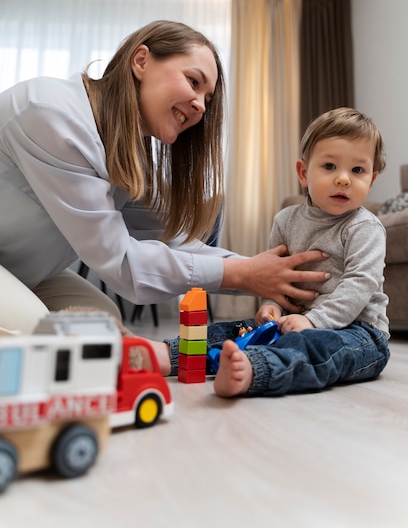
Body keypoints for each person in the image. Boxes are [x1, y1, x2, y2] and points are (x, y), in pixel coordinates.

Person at [0, 20, 328, 334]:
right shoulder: (53, 116)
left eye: (207, 99)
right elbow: (122, 263)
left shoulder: (126, 152)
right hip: (13, 266)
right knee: (39, 332)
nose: (200, 106)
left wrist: (258, 270)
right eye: (193, 81)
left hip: (22, 269)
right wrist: (243, 275)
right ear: (141, 61)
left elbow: (169, 239)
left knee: (101, 324)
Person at [152, 107, 391, 395]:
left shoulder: (365, 228)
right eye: (329, 166)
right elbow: (274, 279)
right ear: (303, 173)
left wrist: (314, 321)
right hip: (293, 320)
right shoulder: (286, 221)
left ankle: (254, 370)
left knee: (316, 347)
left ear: (372, 180)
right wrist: (271, 306)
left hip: (358, 332)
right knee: (235, 329)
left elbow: (360, 284)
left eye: (357, 170)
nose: (343, 179)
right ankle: (169, 355)